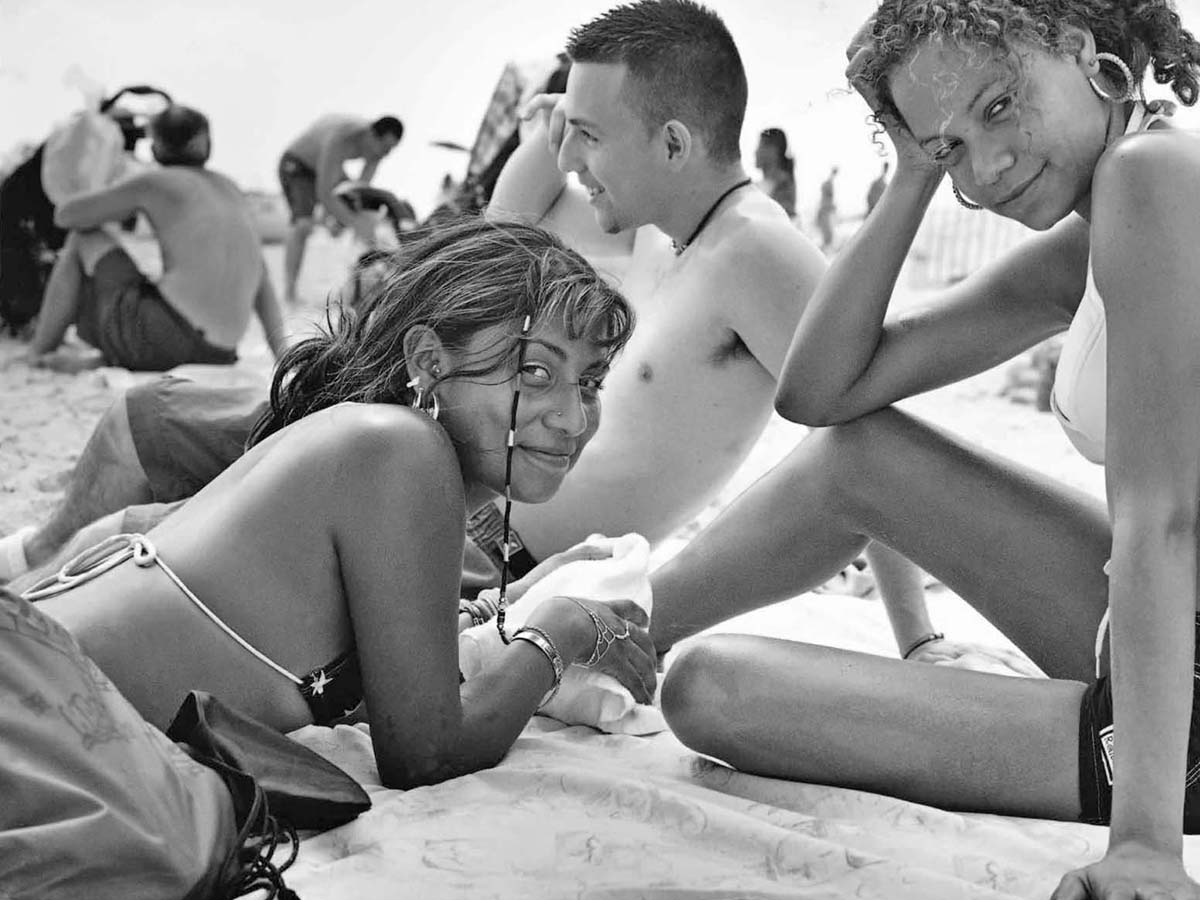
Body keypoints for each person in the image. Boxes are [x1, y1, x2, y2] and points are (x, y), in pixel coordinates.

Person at [0, 0, 938, 660]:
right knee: (150, 429)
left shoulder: (756, 253)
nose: (573, 159)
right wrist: (550, 132)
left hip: (485, 543)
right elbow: (498, 247)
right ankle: (33, 563)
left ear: (677, 144)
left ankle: (33, 579)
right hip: (455, 493)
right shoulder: (672, 236)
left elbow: (864, 424)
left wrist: (919, 636)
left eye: (587, 136)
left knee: (146, 485)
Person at [655, 0, 1200, 900]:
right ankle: (605, 629)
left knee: (710, 687)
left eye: (998, 107)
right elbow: (824, 393)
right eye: (949, 148)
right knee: (856, 457)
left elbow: (1164, 517)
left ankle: (581, 641)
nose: (983, 170)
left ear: (1081, 51)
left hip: (1180, 712)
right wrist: (910, 176)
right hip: (1156, 635)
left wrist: (1144, 838)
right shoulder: (1102, 221)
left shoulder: (1155, 178)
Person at [12, 216, 654, 779]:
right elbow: (427, 754)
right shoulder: (403, 450)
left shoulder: (374, 449)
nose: (572, 418)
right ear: (429, 360)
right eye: (536, 373)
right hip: (31, 716)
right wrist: (562, 627)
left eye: (591, 382)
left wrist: (506, 605)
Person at [25, 105, 288, 373]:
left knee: (82, 237)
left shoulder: (154, 182)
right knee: (156, 287)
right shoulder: (232, 189)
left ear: (155, 148)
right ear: (207, 142)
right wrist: (283, 355)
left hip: (168, 336)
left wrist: (106, 183)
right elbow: (262, 280)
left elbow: (66, 216)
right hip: (220, 353)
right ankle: (111, 358)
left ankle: (39, 352)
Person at [279, 114, 404, 302]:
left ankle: (359, 285)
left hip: (327, 170)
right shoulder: (341, 137)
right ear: (371, 134)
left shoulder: (378, 151)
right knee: (304, 224)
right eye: (384, 148)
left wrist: (345, 219)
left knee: (355, 211)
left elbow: (359, 193)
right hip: (298, 165)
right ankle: (289, 290)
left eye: (390, 151)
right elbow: (324, 193)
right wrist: (352, 222)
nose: (384, 155)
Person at [754, 127, 797, 217]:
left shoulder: (784, 186)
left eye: (760, 146)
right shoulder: (755, 186)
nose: (756, 151)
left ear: (773, 150)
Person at [814, 165, 838, 250]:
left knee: (828, 233)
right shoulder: (827, 185)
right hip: (825, 211)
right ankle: (825, 247)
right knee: (827, 233)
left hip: (826, 211)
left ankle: (826, 246)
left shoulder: (828, 184)